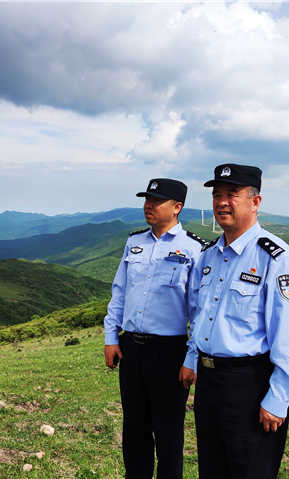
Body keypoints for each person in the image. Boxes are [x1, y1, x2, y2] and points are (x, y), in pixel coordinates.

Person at [183, 164, 289, 479]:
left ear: (255, 202)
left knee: (250, 471)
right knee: (212, 470)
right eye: (216, 195)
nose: (221, 202)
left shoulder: (275, 258)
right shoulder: (208, 255)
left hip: (250, 386)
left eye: (231, 194)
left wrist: (278, 398)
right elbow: (201, 315)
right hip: (209, 385)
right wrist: (192, 359)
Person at [104, 178, 207, 479]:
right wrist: (111, 337)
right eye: (147, 199)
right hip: (132, 349)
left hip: (170, 353)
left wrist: (192, 358)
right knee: (134, 431)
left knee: (169, 434)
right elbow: (119, 293)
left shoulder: (195, 250)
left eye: (157, 200)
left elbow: (200, 311)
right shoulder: (134, 243)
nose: (148, 205)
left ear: (177, 208)